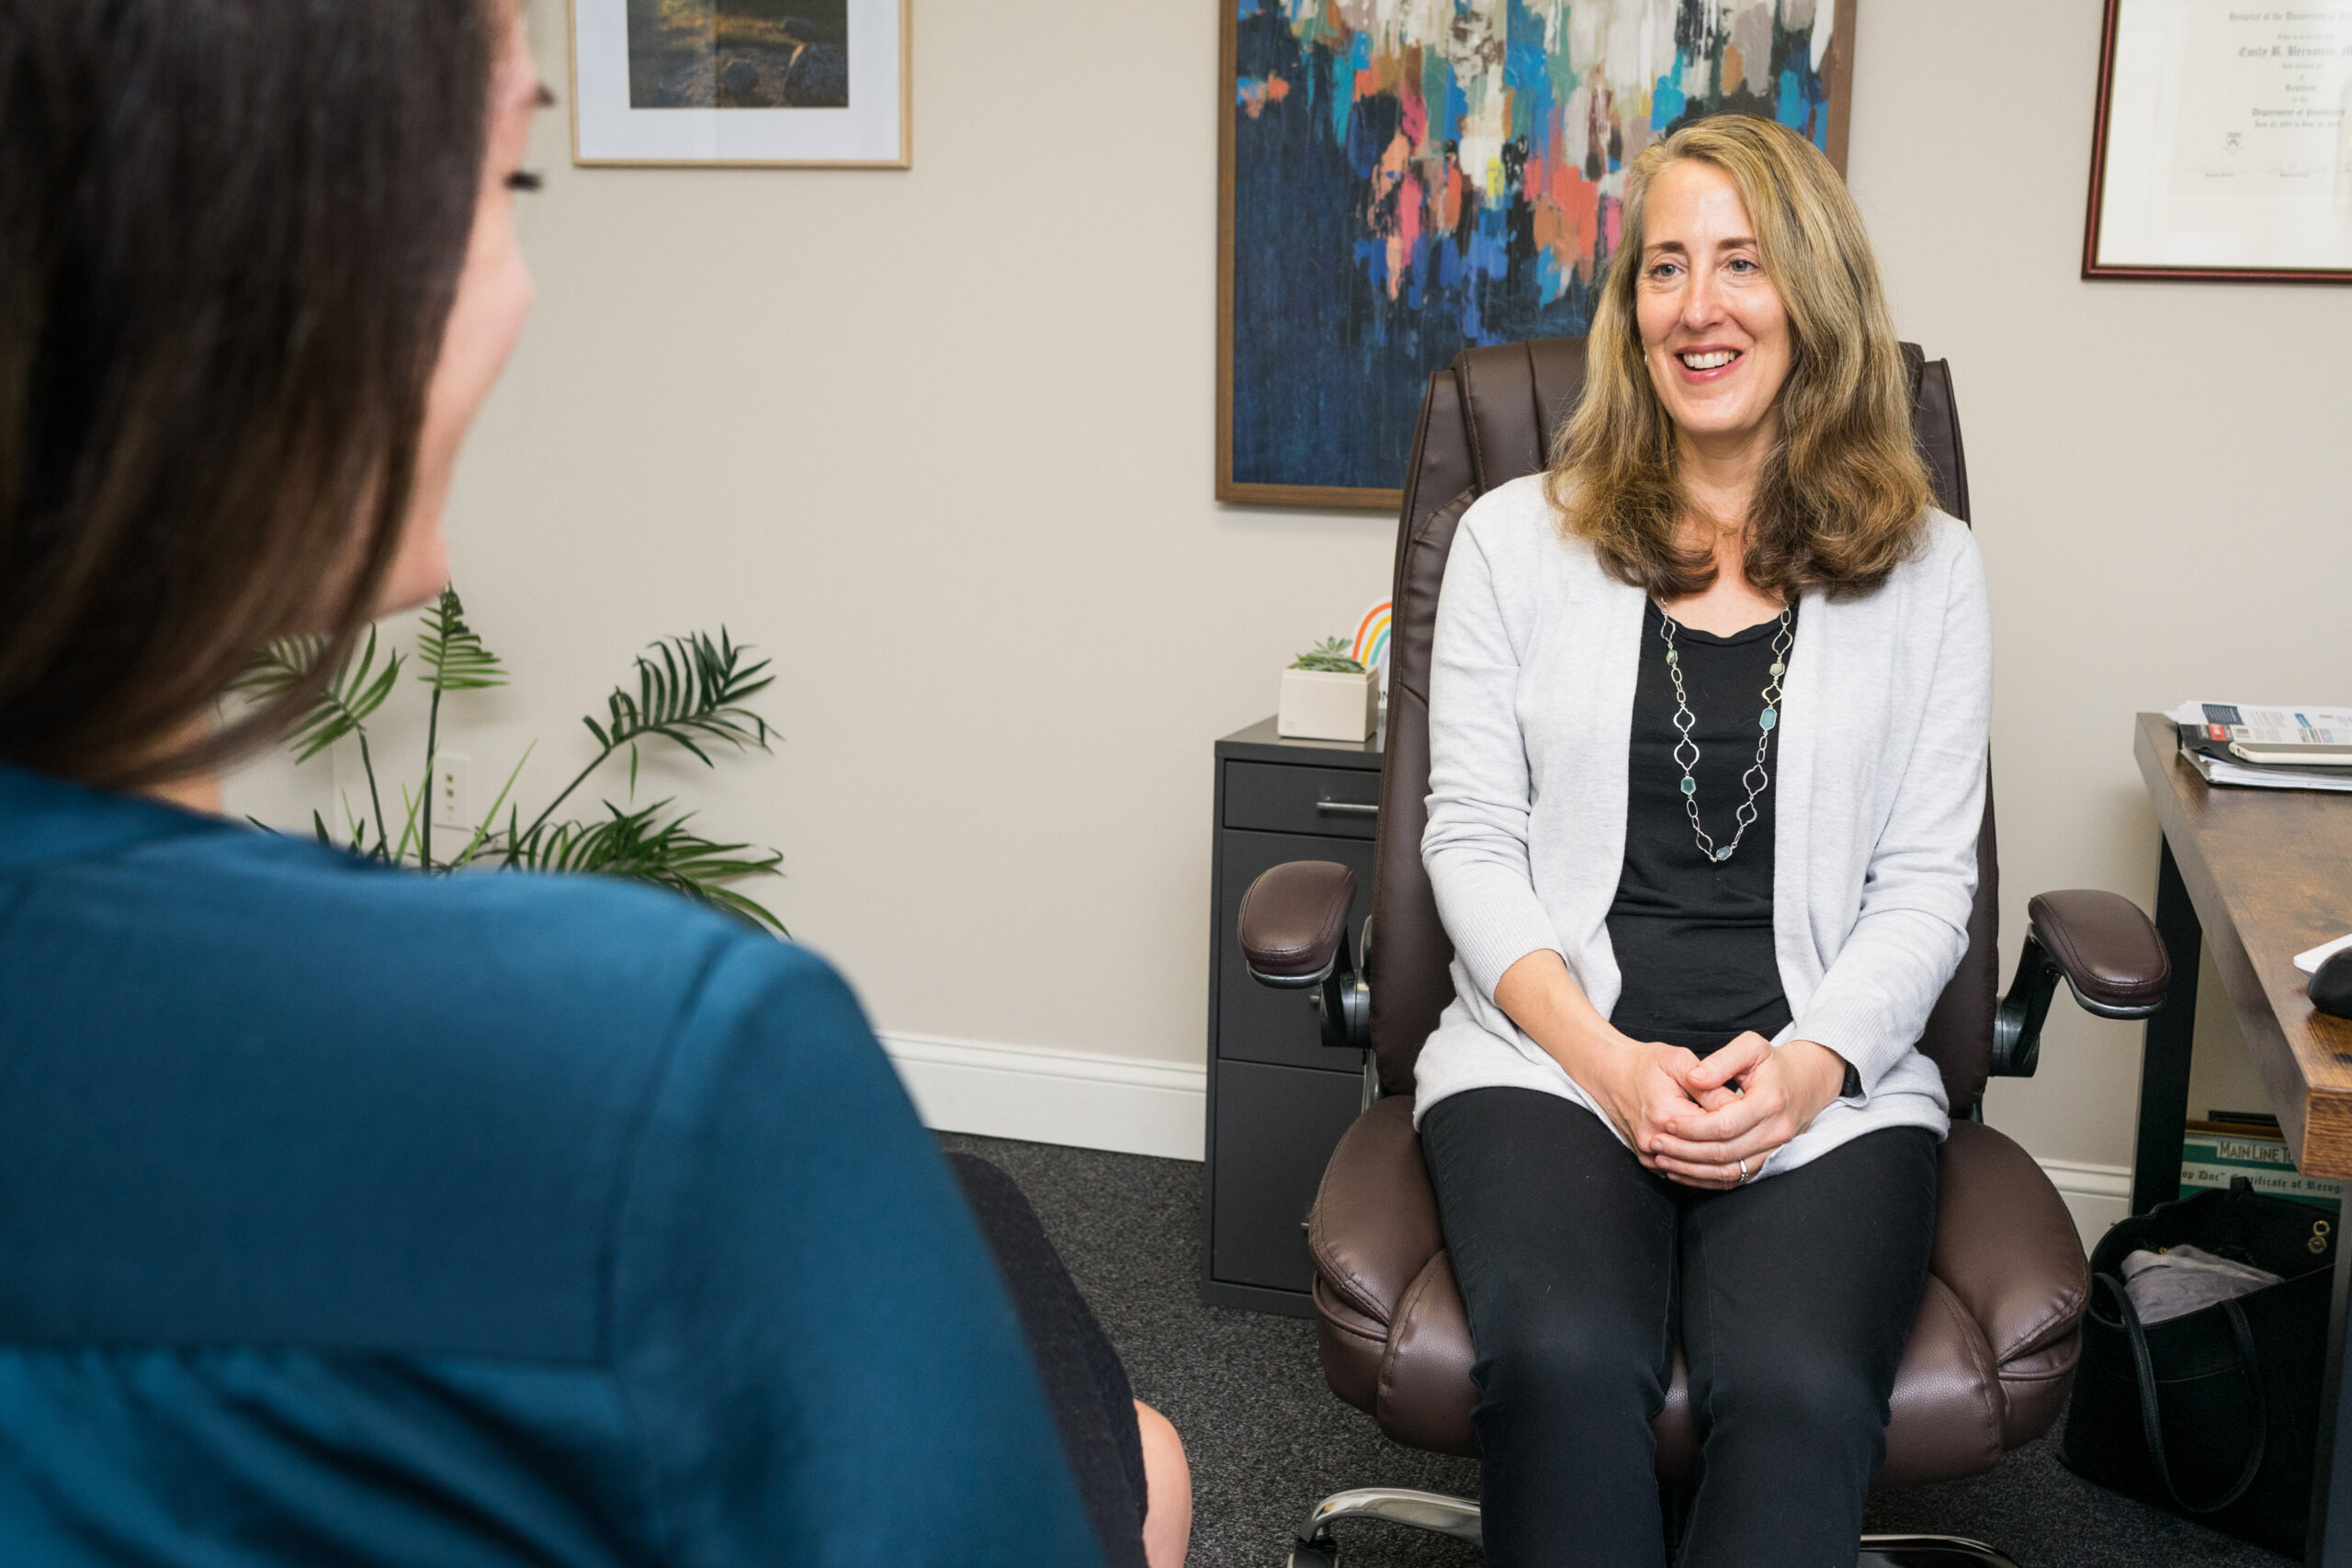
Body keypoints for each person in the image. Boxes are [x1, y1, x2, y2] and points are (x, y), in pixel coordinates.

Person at [0, 3, 1185, 1564]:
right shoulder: (678, 1087)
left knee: (971, 1207)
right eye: (507, 185)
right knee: (1136, 1448)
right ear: (285, 266)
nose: (524, 284)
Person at [1413, 115, 1990, 1568]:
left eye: (1741, 262)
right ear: (1631, 311)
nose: (1698, 305)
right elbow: (1471, 841)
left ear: (1815, 295)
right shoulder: (1510, 543)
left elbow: (1930, 885)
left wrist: (1804, 1073)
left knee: (1797, 1392)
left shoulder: (1930, 574)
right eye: (1664, 266)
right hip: (1553, 1060)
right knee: (1559, 1364)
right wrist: (1608, 1064)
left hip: (1820, 1081)